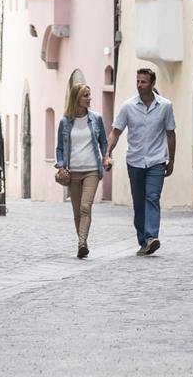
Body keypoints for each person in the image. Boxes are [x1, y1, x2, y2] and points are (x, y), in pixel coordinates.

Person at [107, 66, 175, 255]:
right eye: (138, 81)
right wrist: (107, 153)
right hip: (135, 161)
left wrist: (171, 160)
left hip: (156, 160)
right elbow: (115, 132)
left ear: (152, 84)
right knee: (139, 202)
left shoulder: (165, 106)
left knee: (152, 197)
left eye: (143, 82)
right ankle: (143, 240)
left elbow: (171, 134)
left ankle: (152, 236)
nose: (139, 85)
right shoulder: (127, 106)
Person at [53, 81, 110, 259]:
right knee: (77, 211)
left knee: (86, 207)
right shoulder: (65, 122)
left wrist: (106, 157)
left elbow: (103, 143)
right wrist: (61, 165)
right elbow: (59, 149)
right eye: (85, 95)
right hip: (73, 173)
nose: (89, 98)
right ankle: (82, 242)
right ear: (76, 98)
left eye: (89, 95)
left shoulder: (96, 118)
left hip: (92, 170)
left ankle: (82, 243)